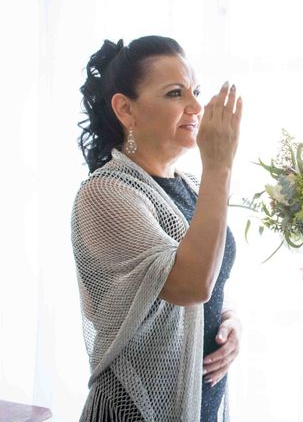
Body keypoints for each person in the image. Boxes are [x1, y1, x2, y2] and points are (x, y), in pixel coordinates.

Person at [72, 35, 243, 421]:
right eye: (175, 93)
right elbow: (189, 284)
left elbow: (209, 283)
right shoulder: (104, 193)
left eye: (196, 91)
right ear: (126, 109)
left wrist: (229, 322)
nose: (197, 106)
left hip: (202, 404)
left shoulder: (190, 187)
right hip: (133, 408)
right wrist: (220, 165)